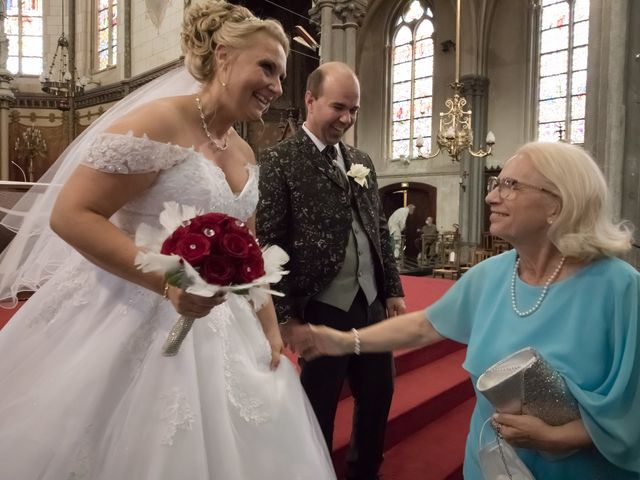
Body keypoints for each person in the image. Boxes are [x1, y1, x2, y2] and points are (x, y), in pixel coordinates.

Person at [0, 2, 336, 479]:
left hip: (226, 326)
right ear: (223, 55)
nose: (276, 87)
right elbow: (72, 215)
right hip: (129, 310)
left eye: (281, 76)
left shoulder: (242, 150)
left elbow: (249, 249)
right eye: (266, 67)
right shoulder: (158, 122)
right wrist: (170, 279)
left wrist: (269, 328)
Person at [291, 141, 640, 479]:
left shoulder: (619, 289)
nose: (491, 196)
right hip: (489, 465)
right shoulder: (491, 274)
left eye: (510, 185)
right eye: (496, 183)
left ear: (557, 205)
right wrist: (343, 341)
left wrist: (561, 437)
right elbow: (425, 325)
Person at [257, 61, 405, 480]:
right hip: (320, 305)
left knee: (379, 393)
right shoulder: (280, 161)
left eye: (354, 110)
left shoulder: (361, 161)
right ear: (309, 99)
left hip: (372, 302)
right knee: (318, 404)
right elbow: (268, 242)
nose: (347, 118)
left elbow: (377, 227)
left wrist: (391, 287)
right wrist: (286, 317)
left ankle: (364, 473)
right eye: (338, 107)